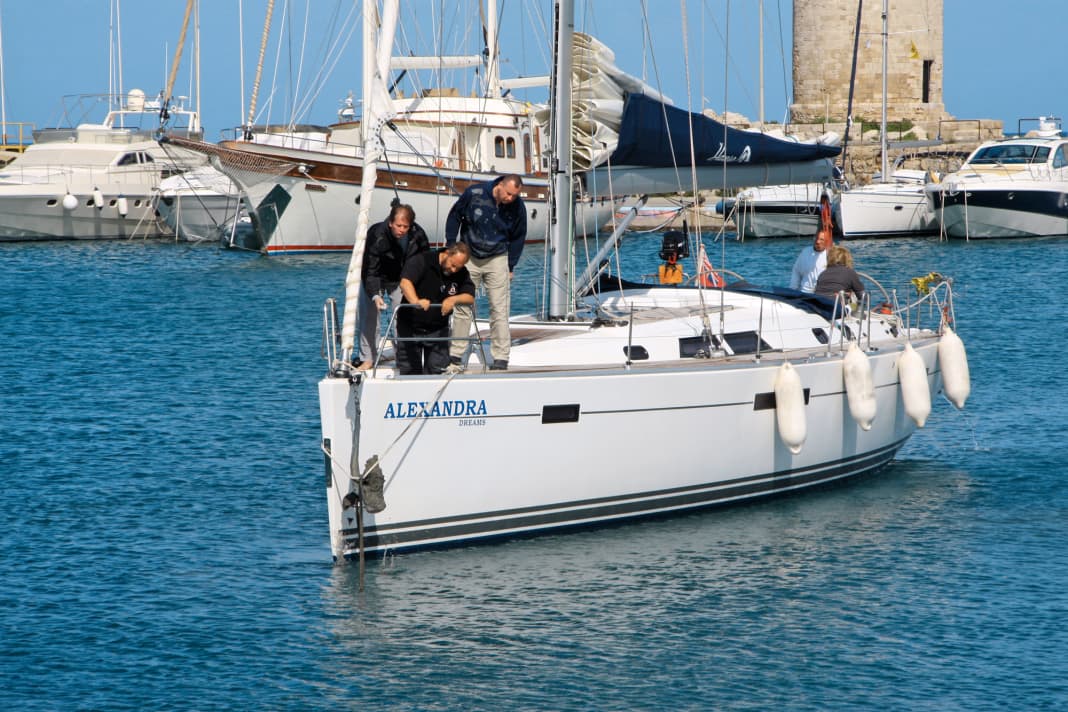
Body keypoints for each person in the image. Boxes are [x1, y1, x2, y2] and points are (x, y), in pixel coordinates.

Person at [444, 174, 527, 371]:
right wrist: (450, 245)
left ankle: (501, 356)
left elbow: (518, 236)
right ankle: (456, 352)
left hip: (498, 257)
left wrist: (511, 266)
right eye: (508, 194)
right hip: (469, 255)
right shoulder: (475, 193)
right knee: (463, 306)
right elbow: (454, 216)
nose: (510, 198)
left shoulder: (517, 207)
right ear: (500, 185)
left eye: (514, 195)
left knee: (499, 308)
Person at [356, 204, 430, 370]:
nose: (402, 230)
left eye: (405, 226)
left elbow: (424, 262)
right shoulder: (377, 234)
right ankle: (367, 358)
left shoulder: (417, 234)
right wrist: (375, 295)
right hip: (375, 275)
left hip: (401, 278)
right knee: (369, 316)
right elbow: (370, 269)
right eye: (398, 226)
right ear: (390, 222)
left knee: (402, 315)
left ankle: (403, 356)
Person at [395, 243, 476, 375]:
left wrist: (453, 299)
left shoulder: (461, 273)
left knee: (437, 371)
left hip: (438, 329)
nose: (454, 270)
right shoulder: (422, 260)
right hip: (410, 326)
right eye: (453, 265)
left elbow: (470, 296)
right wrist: (416, 301)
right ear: (447, 253)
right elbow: (405, 282)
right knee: (409, 371)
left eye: (458, 267)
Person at [789, 193, 834, 293]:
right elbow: (796, 270)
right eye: (817, 239)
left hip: (822, 294)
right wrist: (793, 290)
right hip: (804, 293)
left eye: (821, 240)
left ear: (826, 242)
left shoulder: (831, 255)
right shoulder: (806, 252)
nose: (818, 242)